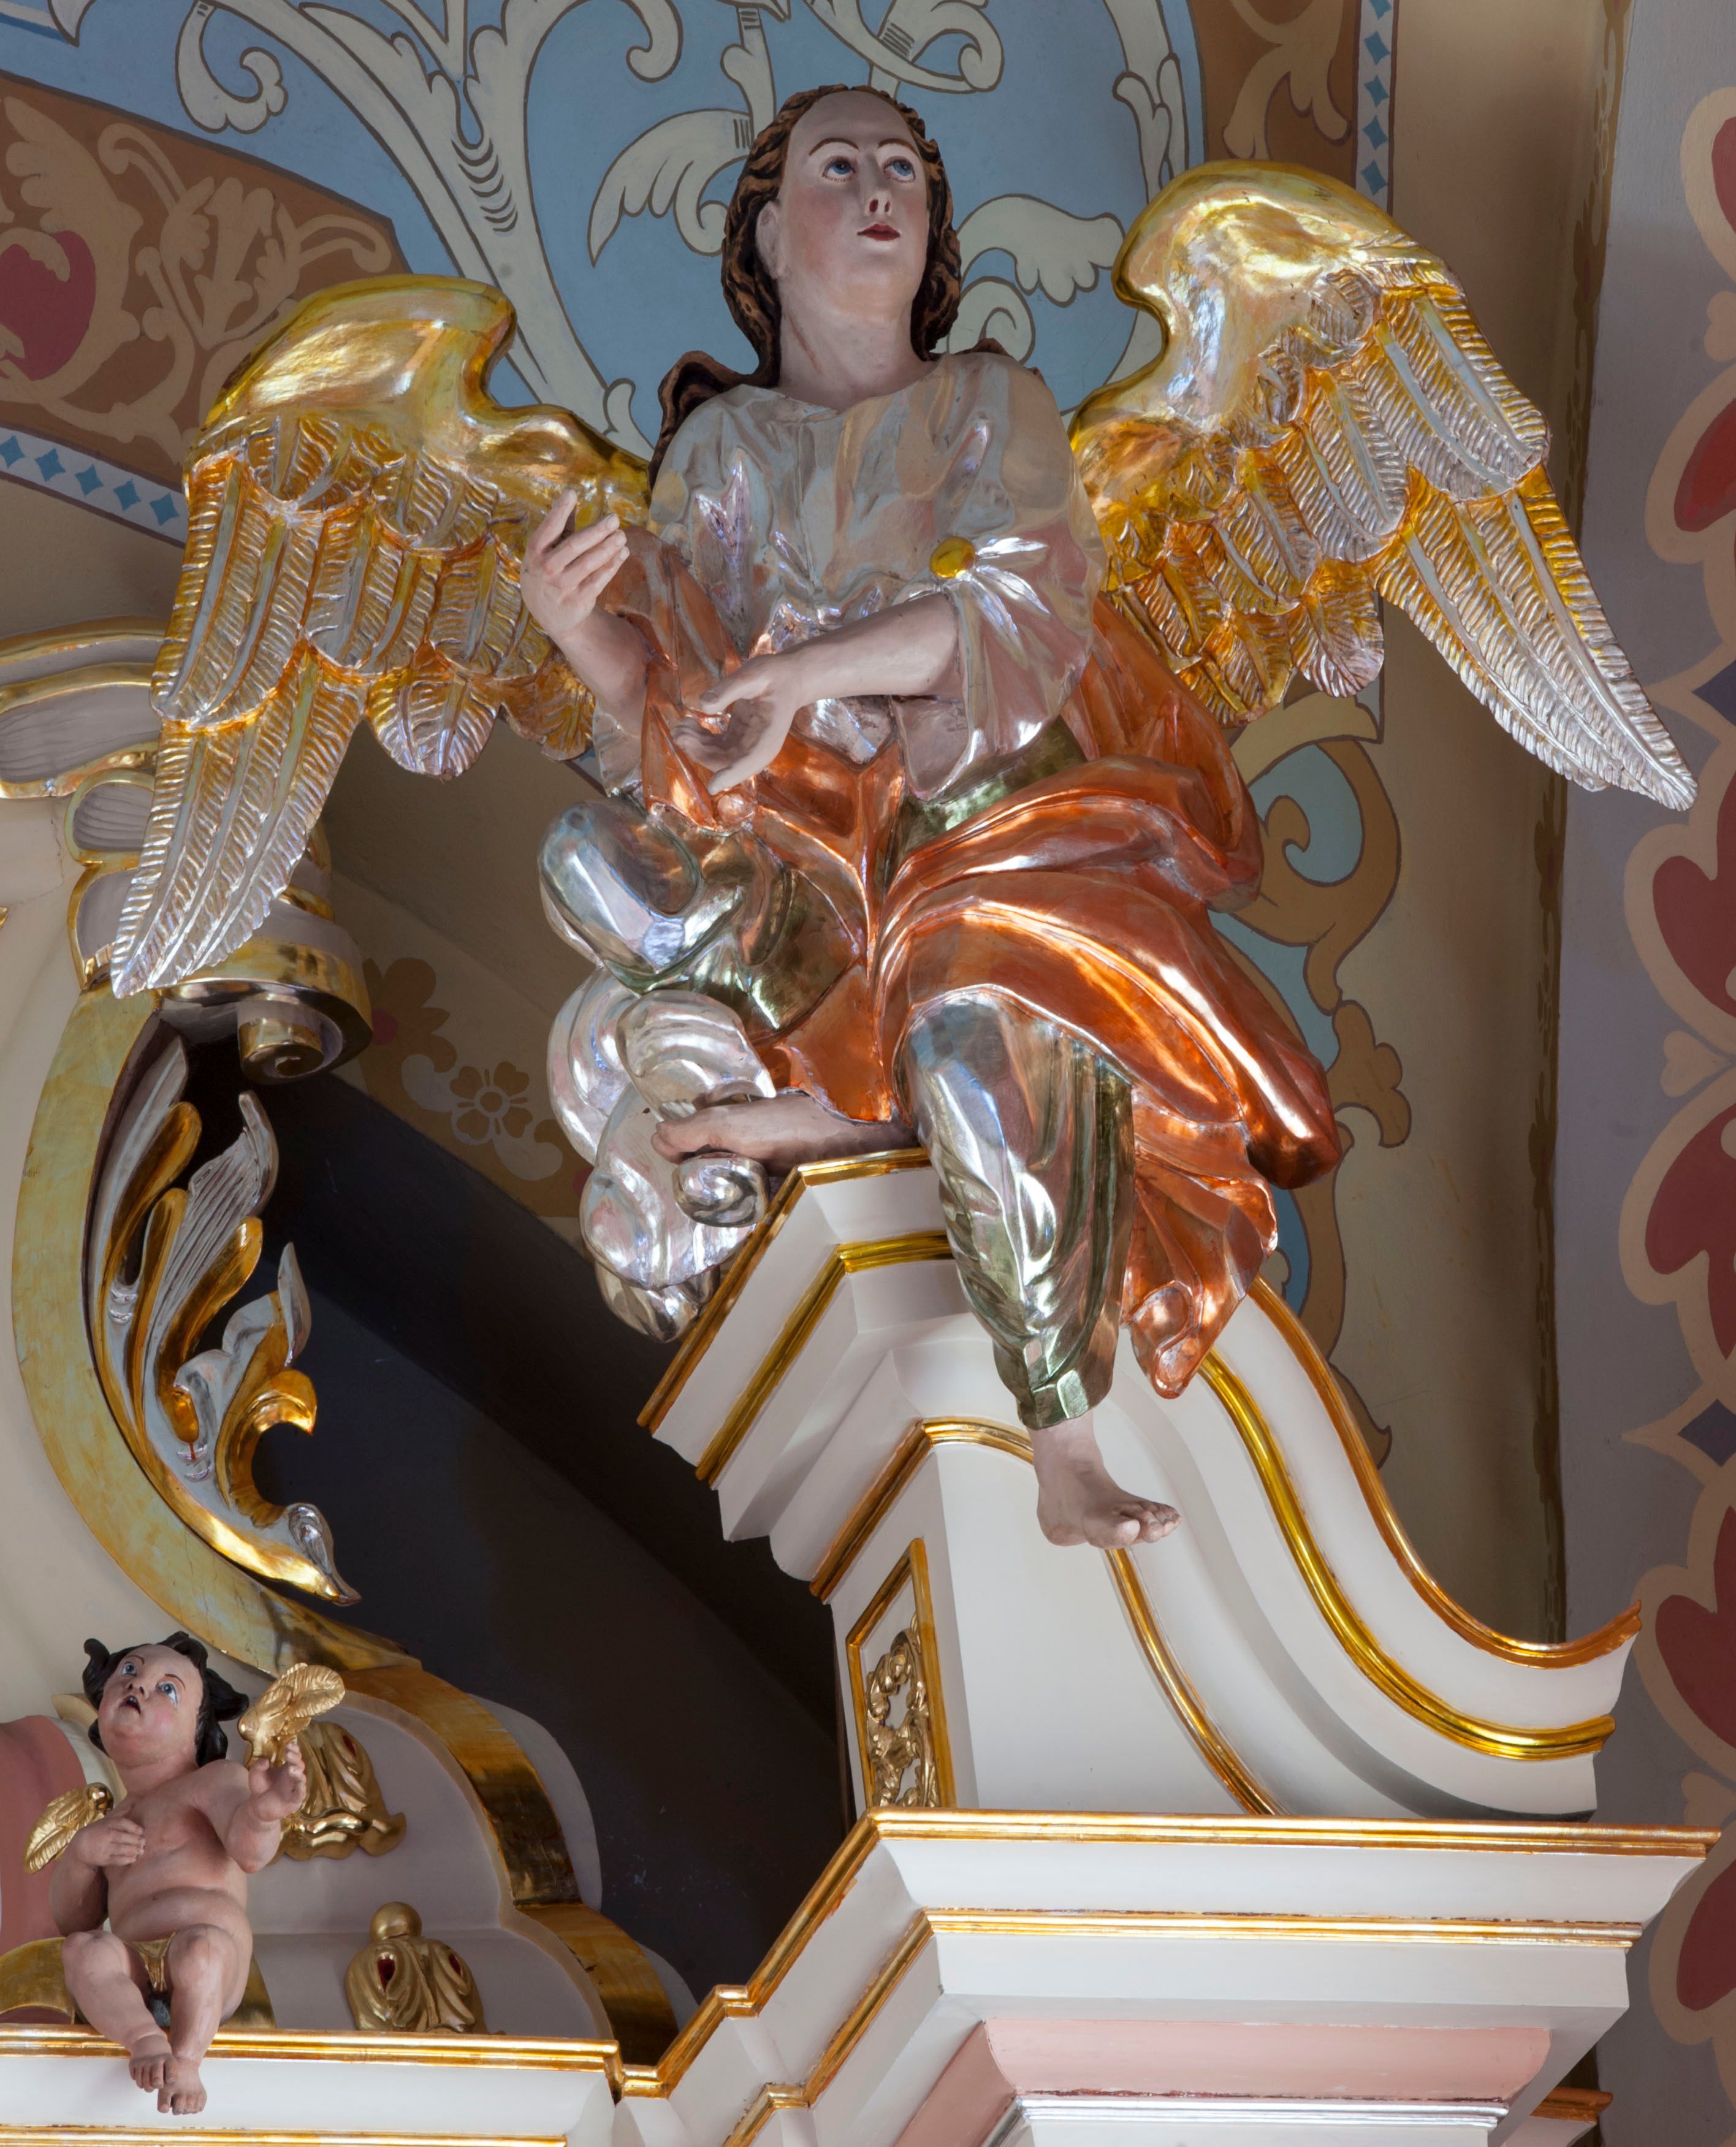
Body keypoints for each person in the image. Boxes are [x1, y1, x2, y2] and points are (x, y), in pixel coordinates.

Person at [522, 85, 1339, 1549]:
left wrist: (802, 674)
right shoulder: (718, 459)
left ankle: (1062, 1441)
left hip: (1002, 816)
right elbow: (692, 724)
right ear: (767, 233)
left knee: (971, 1042)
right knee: (590, 858)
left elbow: (1013, 617)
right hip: (814, 858)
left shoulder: (989, 403)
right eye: (838, 167)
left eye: (902, 168)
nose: (879, 189)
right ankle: (841, 1083)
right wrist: (577, 628)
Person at [50, 1636, 304, 2116]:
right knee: (83, 1951)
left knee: (200, 1951)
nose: (139, 1686)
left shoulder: (213, 1781)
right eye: (129, 1672)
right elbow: (73, 1920)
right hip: (135, 1966)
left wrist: (265, 1813)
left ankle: (187, 2063)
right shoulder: (110, 1821)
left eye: (167, 1689)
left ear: (196, 1726)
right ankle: (144, 2038)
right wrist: (82, 1855)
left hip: (210, 1952)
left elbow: (249, 1853)